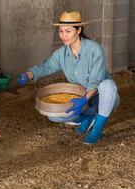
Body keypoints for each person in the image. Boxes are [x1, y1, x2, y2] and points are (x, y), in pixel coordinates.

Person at [17, 11, 120, 144]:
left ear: (78, 30)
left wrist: (84, 99)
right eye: (61, 31)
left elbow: (95, 80)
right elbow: (45, 67)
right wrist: (28, 74)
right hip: (83, 100)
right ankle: (86, 119)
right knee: (54, 116)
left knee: (108, 84)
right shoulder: (62, 54)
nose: (63, 36)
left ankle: (97, 129)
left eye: (68, 31)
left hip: (105, 98)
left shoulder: (95, 50)